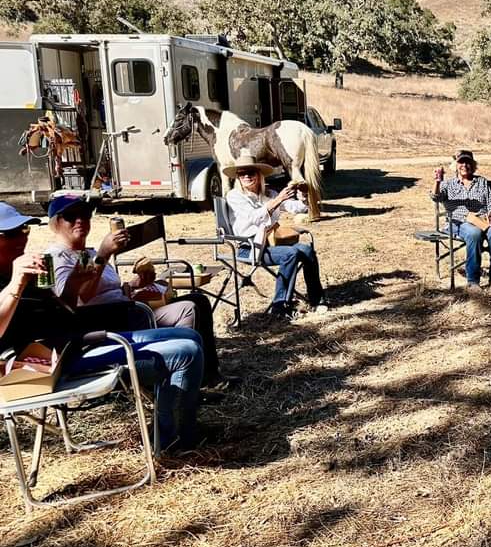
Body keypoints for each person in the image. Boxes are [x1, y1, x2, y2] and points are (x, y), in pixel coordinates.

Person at [0, 201, 205, 452]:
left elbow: (69, 306)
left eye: (24, 230)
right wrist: (16, 285)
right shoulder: (17, 276)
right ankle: (172, 440)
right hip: (50, 363)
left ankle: (175, 426)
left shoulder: (25, 267)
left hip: (77, 340)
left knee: (189, 335)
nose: (21, 238)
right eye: (9, 234)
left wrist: (74, 282)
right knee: (187, 352)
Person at [45, 195, 226, 386]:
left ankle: (207, 374)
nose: (80, 220)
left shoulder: (87, 253)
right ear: (55, 224)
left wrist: (133, 285)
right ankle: (177, 378)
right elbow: (80, 299)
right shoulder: (56, 258)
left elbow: (105, 291)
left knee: (198, 299)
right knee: (188, 309)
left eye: (85, 214)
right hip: (108, 322)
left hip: (125, 310)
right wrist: (104, 254)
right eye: (71, 216)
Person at [225, 150, 329, 320]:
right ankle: (280, 305)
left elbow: (297, 208)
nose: (246, 176)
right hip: (249, 247)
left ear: (258, 175)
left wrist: (302, 195)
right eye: (241, 173)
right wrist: (277, 200)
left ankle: (317, 300)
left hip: (272, 243)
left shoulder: (269, 194)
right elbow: (255, 218)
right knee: (291, 253)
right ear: (237, 177)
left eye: (250, 172)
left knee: (307, 249)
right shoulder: (235, 196)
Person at [432, 149, 491, 292]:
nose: (464, 165)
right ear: (455, 165)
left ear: (473, 165)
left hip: (482, 220)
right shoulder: (448, 184)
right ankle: (473, 281)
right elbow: (436, 197)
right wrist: (437, 181)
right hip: (459, 222)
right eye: (461, 162)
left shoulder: (482, 182)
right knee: (474, 234)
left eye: (468, 162)